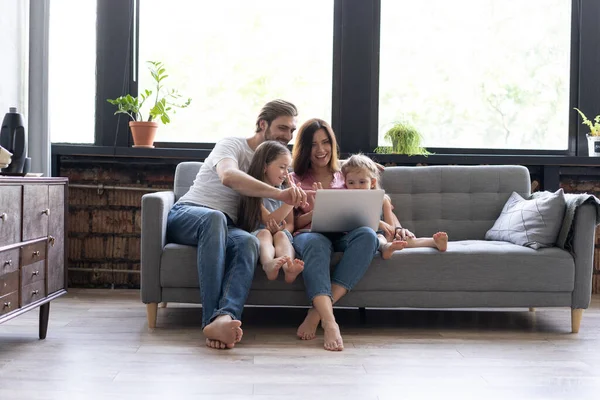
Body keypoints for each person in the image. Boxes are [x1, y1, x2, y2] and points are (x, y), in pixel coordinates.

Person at [166, 100, 307, 350]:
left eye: (292, 131)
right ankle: (211, 319)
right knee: (215, 218)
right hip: (190, 213)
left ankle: (225, 316)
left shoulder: (273, 164)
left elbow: (269, 216)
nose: (288, 136)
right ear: (263, 124)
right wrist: (278, 195)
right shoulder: (232, 145)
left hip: (227, 226)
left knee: (248, 241)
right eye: (283, 128)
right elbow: (228, 176)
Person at [289, 118, 379, 352]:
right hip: (310, 234)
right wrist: (315, 213)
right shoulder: (294, 178)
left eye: (325, 142)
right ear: (304, 149)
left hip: (344, 233)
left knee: (369, 236)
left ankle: (317, 312)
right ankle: (330, 323)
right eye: (313, 144)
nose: (321, 150)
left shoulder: (346, 174)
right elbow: (292, 224)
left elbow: (366, 201)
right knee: (316, 243)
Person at [341, 154, 448, 259]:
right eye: (351, 182)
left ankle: (434, 242)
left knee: (406, 240)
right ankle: (386, 247)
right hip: (365, 239)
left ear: (372, 182)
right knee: (379, 237)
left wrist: (392, 239)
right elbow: (349, 224)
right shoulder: (347, 201)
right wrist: (378, 223)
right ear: (345, 183)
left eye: (362, 182)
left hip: (386, 237)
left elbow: (391, 227)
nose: (356, 187)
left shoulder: (383, 200)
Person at [237, 141, 305, 283]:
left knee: (281, 235)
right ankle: (268, 264)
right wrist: (290, 201)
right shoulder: (253, 192)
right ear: (264, 167)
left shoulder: (284, 189)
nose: (286, 173)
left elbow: (291, 223)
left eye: (288, 168)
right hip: (259, 232)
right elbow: (268, 220)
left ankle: (288, 268)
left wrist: (283, 228)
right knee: (265, 233)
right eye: (282, 167)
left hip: (280, 233)